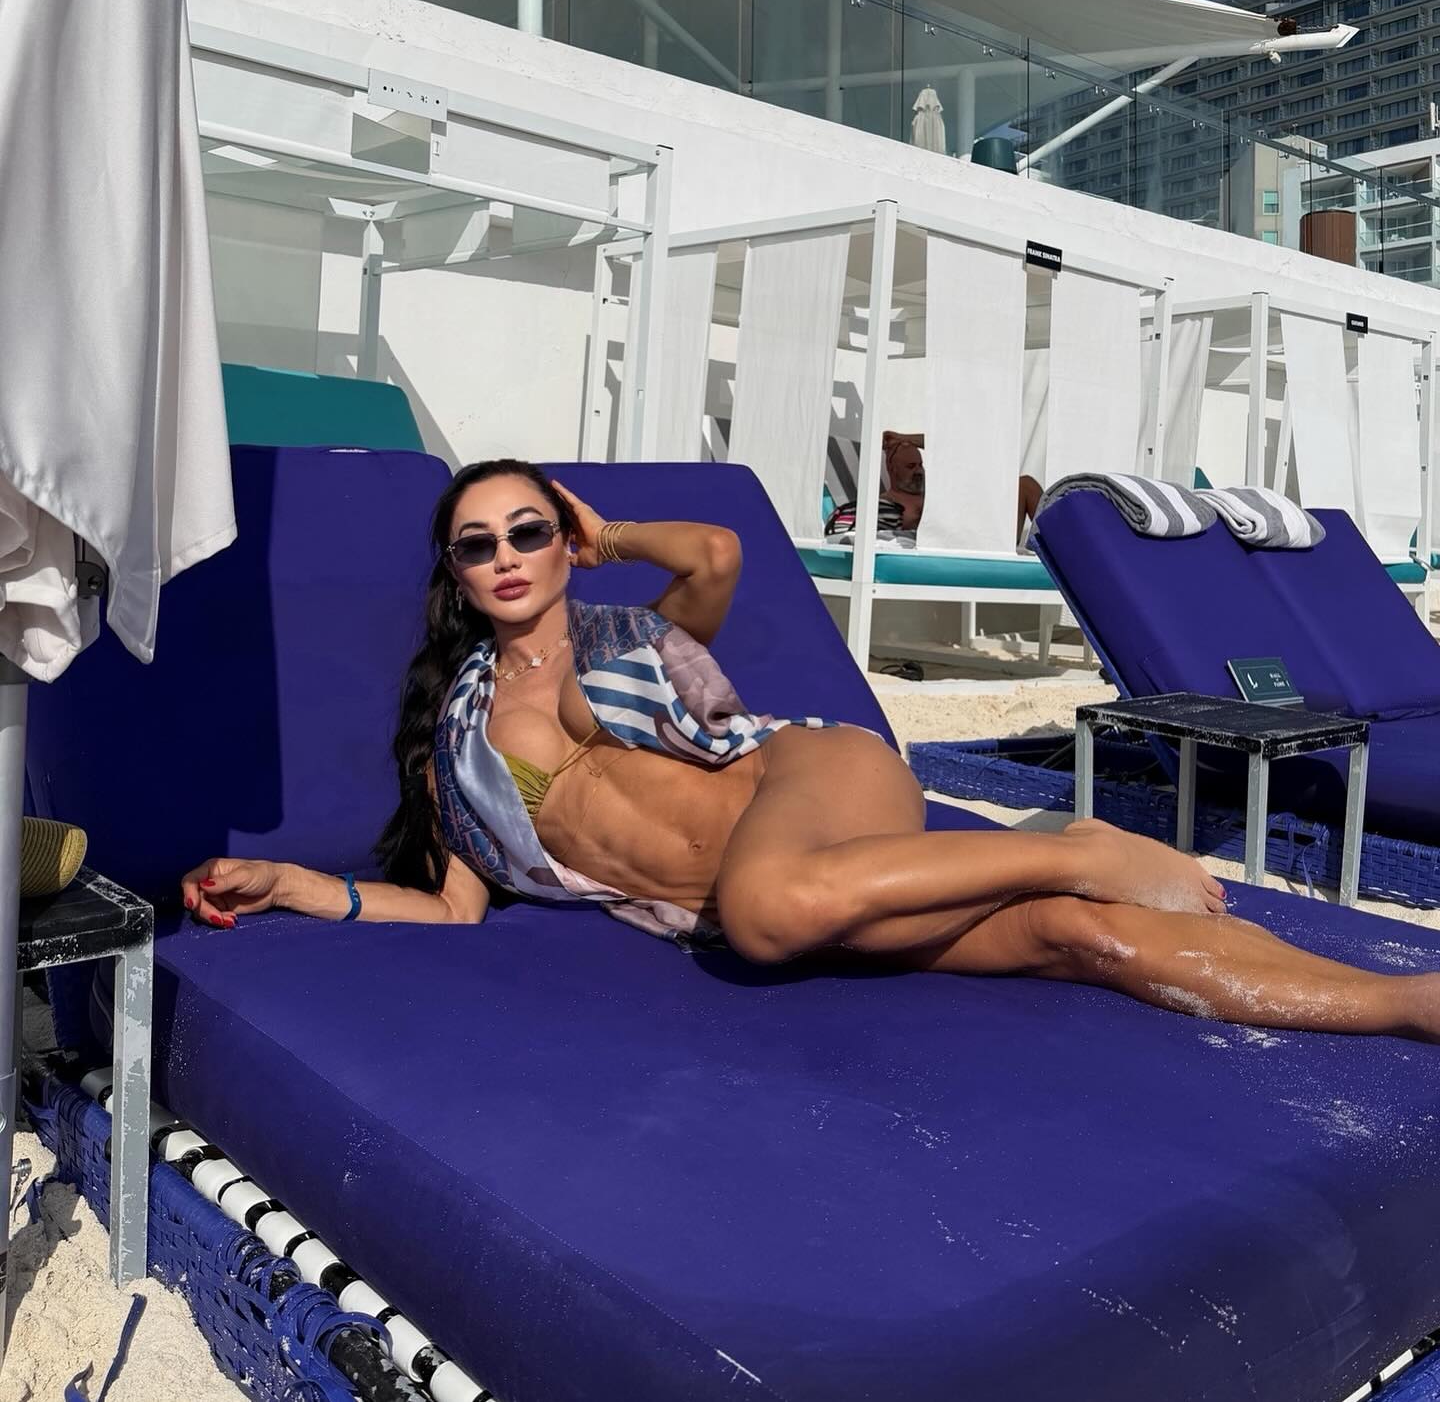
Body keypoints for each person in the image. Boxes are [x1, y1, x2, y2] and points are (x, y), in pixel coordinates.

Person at [180, 460, 1440, 1043]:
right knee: (1078, 941)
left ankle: (1078, 844)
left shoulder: (632, 634)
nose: (506, 555)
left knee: (771, 905)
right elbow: (454, 910)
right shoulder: (451, 747)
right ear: (453, 573)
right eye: (477, 543)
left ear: (563, 543)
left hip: (809, 785)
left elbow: (717, 553)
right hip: (792, 897)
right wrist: (294, 884)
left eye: (530, 530)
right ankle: (1403, 1004)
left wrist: (609, 533)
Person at [826, 433, 1044, 547]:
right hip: (968, 542)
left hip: (985, 530)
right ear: (891, 469)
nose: (918, 471)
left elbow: (957, 447)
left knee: (1026, 485)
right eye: (910, 466)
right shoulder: (886, 503)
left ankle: (1058, 548)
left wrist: (906, 438)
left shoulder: (934, 489)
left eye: (920, 465)